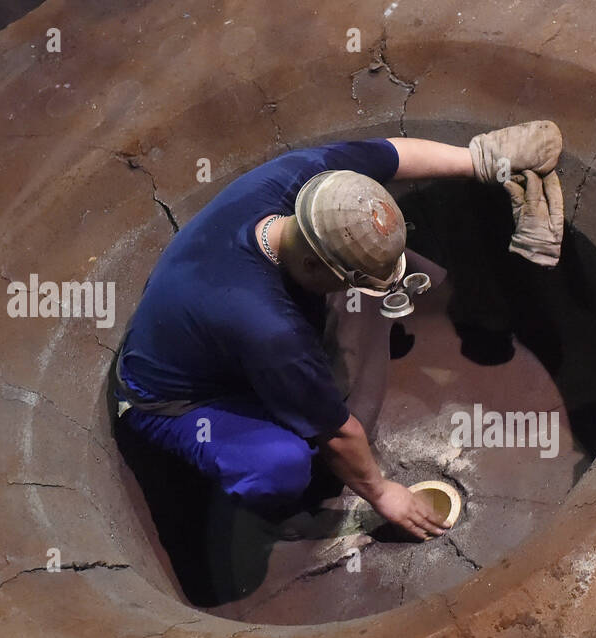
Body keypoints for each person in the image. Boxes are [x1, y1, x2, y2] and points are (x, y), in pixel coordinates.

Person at [113, 121, 564, 540]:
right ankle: (279, 514)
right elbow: (339, 434)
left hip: (205, 326)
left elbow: (392, 156)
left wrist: (479, 160)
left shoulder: (312, 186)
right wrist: (383, 492)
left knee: (368, 294)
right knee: (283, 463)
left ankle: (309, 386)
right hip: (173, 398)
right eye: (344, 275)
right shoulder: (268, 327)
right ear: (312, 264)